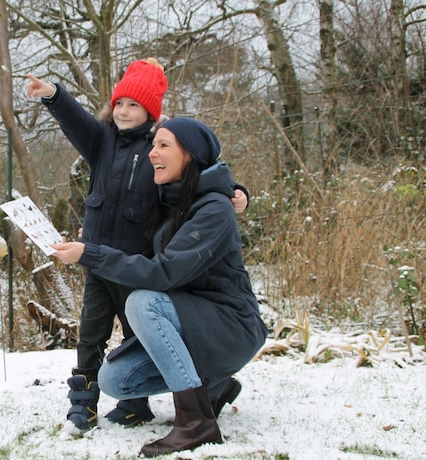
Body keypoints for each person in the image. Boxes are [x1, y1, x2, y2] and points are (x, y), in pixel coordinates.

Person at [26, 59, 249, 434]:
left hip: (137, 263)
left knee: (139, 334)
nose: (124, 111)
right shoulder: (101, 140)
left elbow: (199, 173)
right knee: (90, 333)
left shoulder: (159, 147)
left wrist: (237, 192)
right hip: (96, 259)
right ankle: (83, 405)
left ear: (150, 110)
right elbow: (75, 119)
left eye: (134, 105)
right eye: (119, 103)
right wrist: (52, 94)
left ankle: (136, 403)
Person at [50, 117, 268, 457]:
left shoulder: (213, 209)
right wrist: (89, 241)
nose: (153, 153)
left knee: (142, 302)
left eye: (163, 145)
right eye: (153, 145)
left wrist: (91, 254)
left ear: (190, 156)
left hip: (231, 327)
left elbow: (163, 273)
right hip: (192, 324)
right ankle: (216, 385)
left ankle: (196, 423)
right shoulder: (169, 199)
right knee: (114, 380)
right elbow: (124, 216)